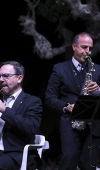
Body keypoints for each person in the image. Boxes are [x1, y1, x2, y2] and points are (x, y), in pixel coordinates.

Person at [45, 32, 100, 170]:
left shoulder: (98, 69)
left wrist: (98, 90)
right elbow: (49, 98)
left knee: (89, 164)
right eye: (84, 47)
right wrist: (67, 106)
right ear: (74, 47)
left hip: (92, 123)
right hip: (70, 121)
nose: (88, 51)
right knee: (70, 158)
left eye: (90, 48)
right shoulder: (59, 68)